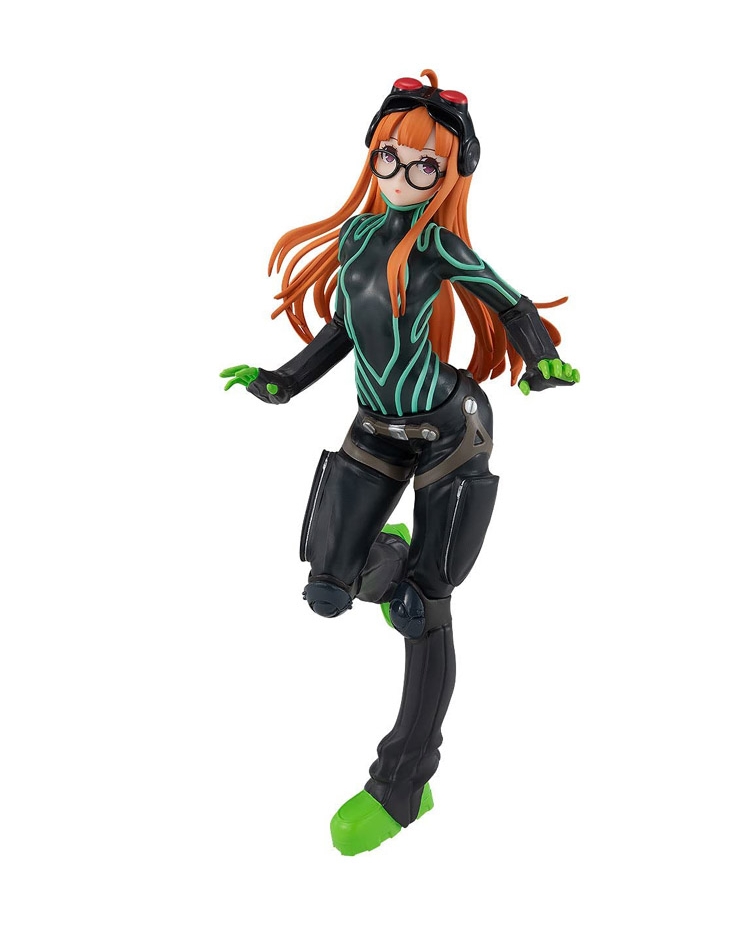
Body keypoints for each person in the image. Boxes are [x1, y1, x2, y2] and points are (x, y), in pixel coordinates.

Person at [221, 70, 579, 855]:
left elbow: (511, 304)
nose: (403, 173)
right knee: (327, 589)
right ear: (372, 154)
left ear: (449, 174)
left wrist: (540, 358)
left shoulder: (441, 246)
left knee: (423, 605)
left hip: (454, 432)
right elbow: (342, 330)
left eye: (425, 164)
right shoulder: (356, 238)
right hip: (375, 428)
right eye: (390, 155)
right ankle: (393, 558)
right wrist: (282, 381)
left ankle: (405, 781)